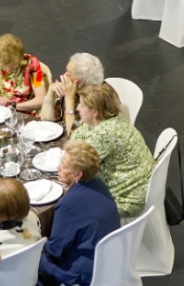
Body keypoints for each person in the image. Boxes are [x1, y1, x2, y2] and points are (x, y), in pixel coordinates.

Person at [37, 140, 121, 286]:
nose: (58, 168)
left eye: (64, 166)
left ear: (78, 174)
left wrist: (39, 248)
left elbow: (54, 252)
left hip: (82, 274)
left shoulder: (68, 204)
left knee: (32, 261)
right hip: (107, 261)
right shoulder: (99, 184)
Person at [68, 84, 154, 217]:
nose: (78, 108)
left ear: (95, 112)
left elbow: (75, 161)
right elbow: (78, 134)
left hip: (126, 199)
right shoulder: (113, 117)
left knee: (73, 204)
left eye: (82, 105)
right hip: (142, 186)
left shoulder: (105, 134)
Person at [0, 33, 49, 114]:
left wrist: (15, 106)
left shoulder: (31, 63)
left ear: (20, 57)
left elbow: (41, 99)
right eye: (3, 65)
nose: (8, 69)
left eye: (12, 64)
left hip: (25, 115)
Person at [38, 52, 106, 127]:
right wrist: (51, 90)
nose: (64, 76)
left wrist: (69, 98)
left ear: (81, 82)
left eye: (68, 74)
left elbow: (73, 132)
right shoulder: (73, 88)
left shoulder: (94, 99)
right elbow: (46, 119)